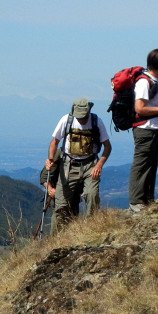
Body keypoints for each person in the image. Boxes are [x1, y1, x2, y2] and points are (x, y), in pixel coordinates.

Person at [44, 97, 112, 232]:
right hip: (68, 165)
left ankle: (90, 229)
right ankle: (55, 238)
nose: (81, 119)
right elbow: (54, 142)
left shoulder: (96, 121)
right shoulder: (66, 120)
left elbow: (107, 147)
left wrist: (99, 165)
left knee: (92, 195)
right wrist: (50, 159)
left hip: (90, 164)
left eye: (83, 116)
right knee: (61, 204)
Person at [127, 49, 158, 212]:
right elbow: (139, 108)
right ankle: (136, 202)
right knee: (142, 164)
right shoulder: (144, 82)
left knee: (151, 163)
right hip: (145, 129)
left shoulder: (155, 81)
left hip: (154, 128)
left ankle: (147, 199)